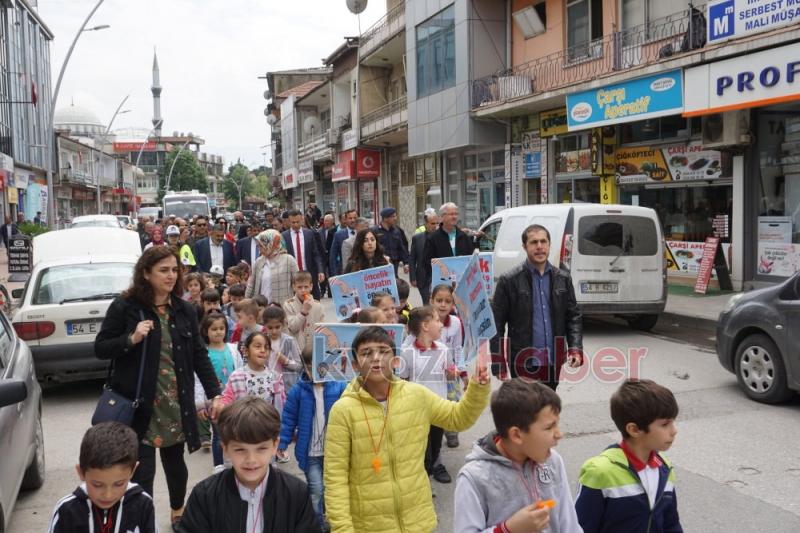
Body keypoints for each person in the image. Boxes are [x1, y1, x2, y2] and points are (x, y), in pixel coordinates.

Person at [94, 246, 223, 529]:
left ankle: (178, 511)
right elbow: (101, 347)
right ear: (146, 273)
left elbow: (199, 355)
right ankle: (143, 519)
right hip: (139, 404)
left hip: (175, 403)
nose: (170, 275)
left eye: (174, 270)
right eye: (163, 270)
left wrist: (216, 393)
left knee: (176, 465)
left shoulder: (185, 309)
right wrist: (131, 339)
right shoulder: (125, 307)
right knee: (142, 470)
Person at [324, 326, 491, 532]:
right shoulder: (343, 411)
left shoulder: (416, 395)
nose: (376, 358)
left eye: (384, 351)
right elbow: (335, 478)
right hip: (368, 526)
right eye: (367, 353)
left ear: (396, 361)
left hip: (417, 521)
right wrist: (342, 528)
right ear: (356, 364)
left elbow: (458, 418)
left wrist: (477, 387)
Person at [453, 379, 582, 533]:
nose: (559, 434)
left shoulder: (553, 461)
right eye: (549, 427)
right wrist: (508, 529)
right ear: (516, 435)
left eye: (557, 424)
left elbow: (569, 524)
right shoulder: (474, 478)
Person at [179, 397, 320, 533]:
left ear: (274, 446)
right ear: (225, 449)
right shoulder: (205, 496)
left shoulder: (296, 493)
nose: (251, 459)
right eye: (240, 449)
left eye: (261, 448)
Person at [575, 379, 682, 533]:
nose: (674, 430)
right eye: (665, 424)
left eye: (673, 422)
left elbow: (671, 524)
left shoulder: (664, 468)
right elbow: (580, 527)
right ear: (634, 429)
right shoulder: (601, 472)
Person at [490, 224, 584, 388]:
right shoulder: (509, 280)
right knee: (525, 409)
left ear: (549, 245)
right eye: (534, 242)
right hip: (522, 360)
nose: (539, 247)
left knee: (548, 408)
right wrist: (498, 362)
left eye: (543, 241)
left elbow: (573, 317)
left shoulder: (563, 278)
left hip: (553, 361)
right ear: (524, 247)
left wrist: (575, 348)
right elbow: (496, 325)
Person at [278, 351, 346, 530]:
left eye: (320, 365)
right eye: (309, 366)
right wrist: (282, 443)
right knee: (316, 490)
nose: (315, 370)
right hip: (310, 454)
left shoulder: (339, 387)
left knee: (332, 491)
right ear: (304, 367)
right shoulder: (298, 391)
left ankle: (330, 519)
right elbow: (288, 418)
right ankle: (317, 525)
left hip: (334, 452)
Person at [47, 422, 157, 533]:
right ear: (81, 472)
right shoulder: (66, 511)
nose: (108, 495)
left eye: (118, 484)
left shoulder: (143, 505)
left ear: (133, 471)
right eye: (97, 485)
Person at [398, 306, 452, 483]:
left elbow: (449, 374)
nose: (441, 324)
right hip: (418, 412)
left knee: (435, 449)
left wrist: (453, 373)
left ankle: (426, 478)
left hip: (439, 409)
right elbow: (403, 380)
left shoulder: (443, 349)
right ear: (425, 326)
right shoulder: (407, 353)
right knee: (423, 453)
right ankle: (421, 485)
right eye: (437, 320)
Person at [196, 312, 241, 471]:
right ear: (206, 332)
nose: (218, 332)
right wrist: (200, 404)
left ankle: (236, 460)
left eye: (222, 328)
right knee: (218, 433)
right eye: (214, 329)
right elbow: (198, 379)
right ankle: (219, 465)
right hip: (214, 401)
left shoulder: (233, 349)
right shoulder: (203, 353)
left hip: (234, 400)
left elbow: (241, 372)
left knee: (236, 432)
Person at [431, 284, 468, 449]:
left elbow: (458, 348)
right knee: (434, 405)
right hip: (429, 375)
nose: (443, 305)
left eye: (448, 301)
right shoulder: (425, 322)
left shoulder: (456, 323)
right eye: (439, 300)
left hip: (451, 374)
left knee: (452, 402)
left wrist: (463, 373)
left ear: (453, 304)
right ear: (431, 301)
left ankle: (451, 432)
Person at [246, 229, 299, 306]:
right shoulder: (258, 261)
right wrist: (246, 303)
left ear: (272, 244)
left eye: (261, 246)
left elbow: (297, 283)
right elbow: (251, 285)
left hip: (283, 308)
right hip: (261, 308)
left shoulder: (288, 260)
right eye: (258, 246)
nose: (259, 250)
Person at [283, 209, 326, 300]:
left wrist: (320, 270)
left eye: (297, 222)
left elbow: (316, 254)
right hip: (293, 277)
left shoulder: (310, 234)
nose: (295, 224)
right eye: (292, 222)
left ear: (302, 219)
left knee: (314, 303)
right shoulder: (284, 236)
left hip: (309, 274)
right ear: (288, 221)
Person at [283, 271, 325, 360]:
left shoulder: (318, 306)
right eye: (299, 287)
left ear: (311, 287)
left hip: (313, 352)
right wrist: (303, 312)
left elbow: (322, 331)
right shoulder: (288, 305)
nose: (303, 290)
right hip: (295, 351)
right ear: (294, 287)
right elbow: (292, 327)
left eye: (306, 287)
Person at [262, 305, 302, 395]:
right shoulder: (261, 340)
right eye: (270, 328)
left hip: (285, 388)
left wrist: (286, 361)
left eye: (277, 327)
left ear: (283, 325)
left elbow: (299, 366)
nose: (274, 331)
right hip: (266, 385)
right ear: (264, 326)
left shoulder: (289, 341)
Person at [409, 210, 440, 304]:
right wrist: (413, 277)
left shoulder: (442, 238)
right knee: (427, 302)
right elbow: (412, 259)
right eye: (432, 223)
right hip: (422, 277)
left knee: (437, 303)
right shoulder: (417, 238)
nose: (435, 226)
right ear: (425, 224)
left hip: (438, 276)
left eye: (437, 223)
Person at [371, 207, 410, 276]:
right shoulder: (374, 231)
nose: (395, 218)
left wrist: (406, 263)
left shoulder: (397, 231)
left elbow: (401, 248)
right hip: (379, 265)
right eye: (393, 216)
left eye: (395, 216)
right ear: (385, 218)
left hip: (394, 264)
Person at [328, 209, 358, 277]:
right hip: (345, 272)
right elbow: (333, 256)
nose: (353, 220)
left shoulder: (363, 232)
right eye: (350, 218)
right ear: (346, 220)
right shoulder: (338, 235)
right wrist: (334, 274)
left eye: (355, 218)